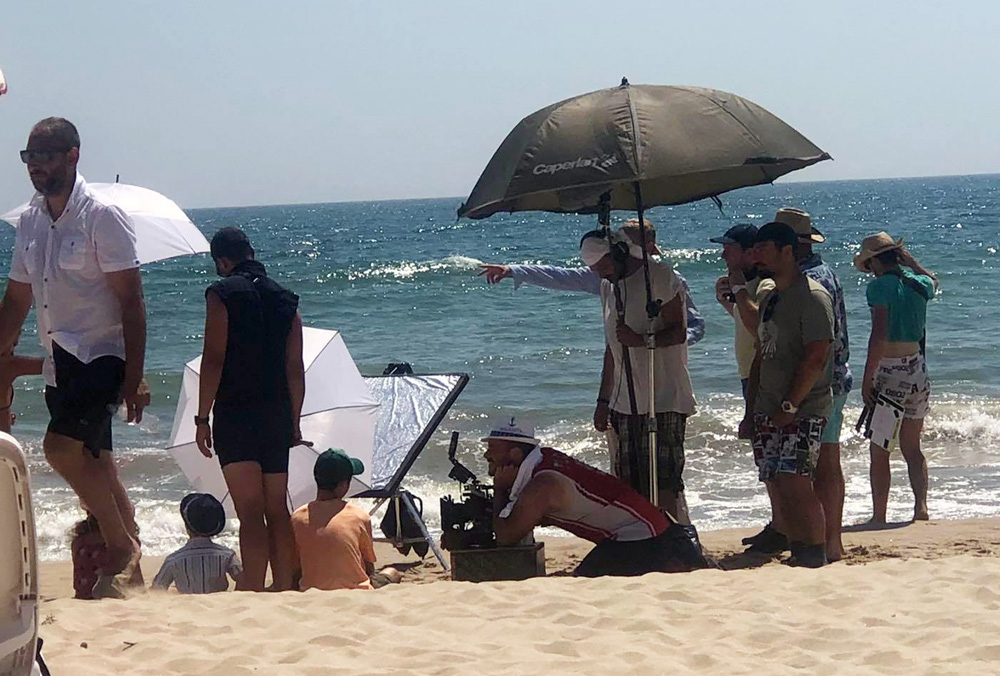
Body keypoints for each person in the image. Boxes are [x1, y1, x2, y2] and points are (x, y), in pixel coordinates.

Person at [0, 118, 148, 597]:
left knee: (59, 450)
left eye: (45, 155)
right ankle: (132, 575)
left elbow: (131, 301)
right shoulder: (30, 221)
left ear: (72, 155)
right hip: (59, 361)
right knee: (98, 463)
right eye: (29, 157)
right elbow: (17, 299)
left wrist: (135, 376)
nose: (35, 165)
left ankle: (121, 546)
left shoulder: (102, 216)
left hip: (101, 356)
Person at [195, 227, 306, 592]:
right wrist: (294, 422)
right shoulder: (286, 299)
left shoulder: (221, 294)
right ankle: (285, 585)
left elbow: (214, 358)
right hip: (277, 413)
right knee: (277, 509)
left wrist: (202, 417)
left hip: (236, 413)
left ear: (222, 261)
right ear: (251, 252)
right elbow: (294, 368)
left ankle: (255, 589)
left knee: (250, 512)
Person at [485, 414, 707, 576]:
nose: (486, 454)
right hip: (644, 531)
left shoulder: (543, 484)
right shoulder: (544, 461)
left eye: (492, 448)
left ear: (515, 453)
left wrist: (500, 489)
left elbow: (506, 538)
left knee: (582, 582)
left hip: (643, 539)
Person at [580, 228, 696, 519]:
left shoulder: (658, 276)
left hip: (664, 397)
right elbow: (612, 348)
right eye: (594, 269)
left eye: (603, 266)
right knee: (628, 483)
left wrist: (641, 340)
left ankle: (669, 535)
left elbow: (679, 332)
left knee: (664, 481)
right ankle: (641, 535)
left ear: (619, 253)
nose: (600, 273)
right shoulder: (608, 287)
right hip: (624, 403)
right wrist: (603, 400)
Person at [740, 222, 834, 568]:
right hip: (768, 406)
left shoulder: (812, 297)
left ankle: (814, 552)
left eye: (764, 250)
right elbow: (761, 355)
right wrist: (751, 411)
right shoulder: (771, 298)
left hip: (803, 407)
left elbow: (817, 356)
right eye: (755, 250)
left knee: (797, 481)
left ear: (788, 252)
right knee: (777, 480)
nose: (757, 257)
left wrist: (791, 405)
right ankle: (798, 548)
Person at [478, 219, 705, 346]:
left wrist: (656, 343)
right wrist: (513, 270)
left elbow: (695, 325)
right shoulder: (606, 279)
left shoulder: (669, 278)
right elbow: (561, 276)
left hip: (664, 370)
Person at [854, 232, 937, 523]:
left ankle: (879, 515)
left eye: (870, 264)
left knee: (880, 449)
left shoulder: (879, 287)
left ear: (876, 261)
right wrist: (913, 263)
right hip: (917, 367)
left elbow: (879, 335)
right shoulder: (919, 283)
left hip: (890, 370)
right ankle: (921, 508)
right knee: (912, 447)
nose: (870, 270)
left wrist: (867, 378)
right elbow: (933, 281)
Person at [291, 449, 400, 591]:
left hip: (311, 588)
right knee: (392, 572)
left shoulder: (297, 517)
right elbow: (368, 566)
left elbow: (296, 565)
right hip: (357, 589)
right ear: (343, 485)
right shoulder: (359, 515)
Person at [152, 493, 242, 594]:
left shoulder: (173, 560)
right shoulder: (227, 555)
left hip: (187, 601)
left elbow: (157, 590)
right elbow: (243, 579)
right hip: (219, 601)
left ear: (187, 526)